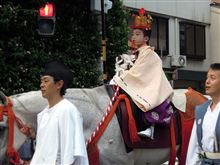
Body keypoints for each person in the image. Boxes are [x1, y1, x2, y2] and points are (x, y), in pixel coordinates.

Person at [112, 8, 173, 138]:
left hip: (152, 87)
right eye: (133, 34)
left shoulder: (149, 53)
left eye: (138, 34)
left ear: (146, 38)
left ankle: (150, 127)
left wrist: (120, 78)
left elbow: (138, 73)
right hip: (141, 84)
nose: (134, 37)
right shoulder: (135, 53)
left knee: (144, 99)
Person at [30, 61, 88, 165]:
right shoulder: (42, 114)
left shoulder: (67, 110)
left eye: (46, 81)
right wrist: (33, 135)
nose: (42, 85)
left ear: (59, 84)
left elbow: (70, 152)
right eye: (41, 81)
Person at [186, 63, 220, 165]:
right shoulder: (201, 110)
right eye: (207, 77)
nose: (207, 81)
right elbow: (194, 146)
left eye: (212, 78)